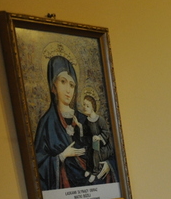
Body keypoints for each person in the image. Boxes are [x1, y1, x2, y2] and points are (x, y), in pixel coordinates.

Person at [33, 55, 112, 191]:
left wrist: (108, 164)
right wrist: (62, 156)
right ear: (53, 86)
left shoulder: (84, 119)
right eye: (63, 82)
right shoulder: (46, 123)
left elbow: (107, 148)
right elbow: (38, 164)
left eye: (72, 85)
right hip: (65, 190)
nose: (68, 90)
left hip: (95, 185)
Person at [79, 93, 114, 184]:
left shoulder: (100, 119)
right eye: (84, 105)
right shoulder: (87, 121)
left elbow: (106, 133)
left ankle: (95, 172)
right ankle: (89, 169)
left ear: (93, 108)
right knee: (88, 148)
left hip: (104, 146)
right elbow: (86, 134)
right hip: (93, 144)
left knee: (95, 147)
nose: (85, 107)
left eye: (87, 106)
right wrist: (80, 126)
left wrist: (99, 137)